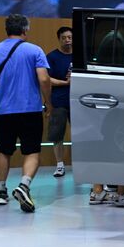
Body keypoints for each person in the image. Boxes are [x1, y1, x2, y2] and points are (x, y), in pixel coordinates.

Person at [0, 14, 52, 213]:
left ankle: (1, 192)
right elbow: (44, 79)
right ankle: (24, 185)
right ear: (25, 30)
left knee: (3, 150)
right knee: (31, 151)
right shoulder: (35, 50)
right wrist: (48, 102)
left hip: (4, 109)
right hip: (30, 108)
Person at [47, 27, 73, 177]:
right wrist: (65, 83)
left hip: (78, 101)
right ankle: (60, 165)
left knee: (81, 133)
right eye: (64, 38)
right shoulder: (51, 57)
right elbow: (46, 79)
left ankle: (82, 164)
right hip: (58, 101)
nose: (67, 40)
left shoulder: (80, 57)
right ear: (59, 39)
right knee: (57, 134)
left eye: (69, 37)